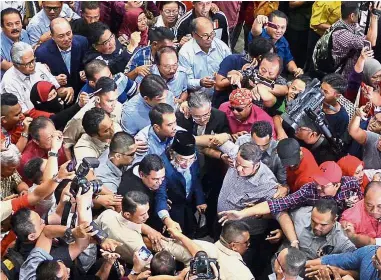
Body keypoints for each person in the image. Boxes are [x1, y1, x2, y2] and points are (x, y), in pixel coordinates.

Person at [218, 161, 363, 222]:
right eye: (317, 182)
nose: (318, 187)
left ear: (337, 185)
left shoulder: (351, 184)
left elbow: (363, 205)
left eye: (324, 185)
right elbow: (278, 203)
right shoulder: (309, 190)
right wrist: (242, 213)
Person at [217, 142, 281, 279]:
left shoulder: (268, 184)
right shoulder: (236, 155)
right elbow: (219, 139)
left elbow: (277, 212)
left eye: (244, 167)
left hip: (245, 237)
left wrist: (258, 213)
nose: (239, 169)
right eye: (237, 163)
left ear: (256, 165)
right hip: (223, 224)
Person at [94, 191, 189, 264]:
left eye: (147, 212)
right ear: (127, 214)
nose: (147, 216)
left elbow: (94, 227)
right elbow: (151, 265)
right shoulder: (135, 244)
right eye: (142, 215)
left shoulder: (107, 214)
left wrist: (148, 229)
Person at [1, 42, 73, 117]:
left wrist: (66, 91)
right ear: (16, 65)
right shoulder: (9, 82)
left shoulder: (40, 67)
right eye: (27, 64)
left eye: (33, 60)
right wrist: (51, 117)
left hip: (54, 112)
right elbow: (22, 113)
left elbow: (56, 90)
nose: (32, 65)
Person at [156, 131, 206, 237]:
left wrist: (200, 200)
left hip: (189, 205)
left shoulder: (193, 156)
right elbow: (161, 195)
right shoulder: (162, 166)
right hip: (173, 208)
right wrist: (166, 218)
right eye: (182, 159)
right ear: (172, 153)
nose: (187, 164)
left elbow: (196, 179)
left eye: (190, 159)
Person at [168, 220, 255, 280]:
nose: (249, 244)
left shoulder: (200, 245)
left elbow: (165, 245)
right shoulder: (243, 274)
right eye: (246, 242)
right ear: (233, 246)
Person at [63, 76, 122, 156]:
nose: (114, 104)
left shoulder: (118, 106)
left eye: (116, 99)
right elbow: (66, 145)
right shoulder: (79, 119)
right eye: (110, 101)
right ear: (97, 99)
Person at [282, 199, 356, 261]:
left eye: (323, 225)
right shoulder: (301, 215)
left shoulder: (342, 238)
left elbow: (355, 259)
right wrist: (282, 231)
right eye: (313, 221)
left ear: (334, 221)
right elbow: (281, 214)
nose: (317, 227)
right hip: (284, 260)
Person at [218, 120, 286, 185]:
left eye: (264, 145)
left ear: (271, 138)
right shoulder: (242, 141)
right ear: (250, 136)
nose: (260, 149)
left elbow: (281, 182)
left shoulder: (280, 152)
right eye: (256, 144)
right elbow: (232, 168)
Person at [213, 36, 274, 107]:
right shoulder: (232, 59)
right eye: (270, 55)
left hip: (249, 108)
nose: (271, 58)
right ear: (260, 57)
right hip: (224, 105)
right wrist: (242, 74)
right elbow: (219, 84)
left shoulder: (264, 69)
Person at [178, 17, 231, 96]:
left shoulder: (221, 46)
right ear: (194, 35)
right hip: (199, 98)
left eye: (212, 34)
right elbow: (184, 81)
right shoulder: (185, 53)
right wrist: (200, 82)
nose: (209, 39)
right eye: (205, 35)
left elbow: (232, 67)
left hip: (222, 93)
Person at [35, 18, 88, 95]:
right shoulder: (42, 53)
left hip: (82, 92)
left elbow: (89, 62)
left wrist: (86, 71)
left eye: (68, 33)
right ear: (52, 37)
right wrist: (53, 80)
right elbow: (39, 80)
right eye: (61, 36)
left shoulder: (82, 42)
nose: (66, 39)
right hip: (60, 96)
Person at [330, 2, 381, 78]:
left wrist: (371, 14)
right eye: (358, 13)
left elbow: (364, 34)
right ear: (352, 16)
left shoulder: (344, 23)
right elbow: (370, 42)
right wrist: (374, 16)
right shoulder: (343, 35)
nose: (360, 15)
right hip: (344, 76)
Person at [249, 10, 304, 76]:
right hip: (255, 73)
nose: (279, 31)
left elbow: (288, 60)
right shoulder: (260, 35)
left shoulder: (284, 41)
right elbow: (255, 30)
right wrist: (259, 20)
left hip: (276, 78)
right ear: (267, 24)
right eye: (276, 27)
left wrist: (296, 70)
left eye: (283, 27)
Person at [118, 154, 166, 228]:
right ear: (141, 174)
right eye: (155, 179)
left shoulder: (141, 167)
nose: (160, 182)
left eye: (162, 178)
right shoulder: (129, 192)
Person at [18, 117, 67, 182]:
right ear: (36, 141)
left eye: (55, 132)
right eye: (50, 138)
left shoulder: (60, 139)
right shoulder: (26, 161)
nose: (56, 138)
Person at [340, 181, 381, 248]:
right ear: (364, 199)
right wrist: (353, 237)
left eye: (380, 206)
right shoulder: (350, 220)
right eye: (369, 205)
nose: (374, 211)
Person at [306, 245, 381, 279]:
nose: (373, 258)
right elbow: (338, 259)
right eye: (375, 254)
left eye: (377, 261)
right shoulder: (369, 251)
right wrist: (303, 264)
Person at [1, 8, 31, 78]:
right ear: (2, 27)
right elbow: (11, 68)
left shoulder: (24, 33)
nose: (14, 27)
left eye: (17, 23)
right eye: (9, 25)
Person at [320, 73, 350, 139]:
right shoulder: (314, 98)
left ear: (337, 96)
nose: (320, 93)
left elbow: (334, 139)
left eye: (325, 92)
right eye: (321, 88)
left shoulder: (342, 118)